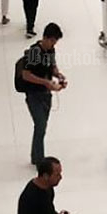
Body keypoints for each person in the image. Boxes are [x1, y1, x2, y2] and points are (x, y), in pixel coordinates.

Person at [18, 24, 67, 165]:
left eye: (55, 42)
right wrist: (45, 82)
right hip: (34, 94)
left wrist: (58, 75)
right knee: (40, 125)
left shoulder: (51, 50)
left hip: (46, 94)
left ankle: (36, 156)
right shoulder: (35, 52)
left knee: (42, 126)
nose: (53, 44)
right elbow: (26, 75)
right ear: (44, 37)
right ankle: (39, 160)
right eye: (51, 41)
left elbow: (52, 67)